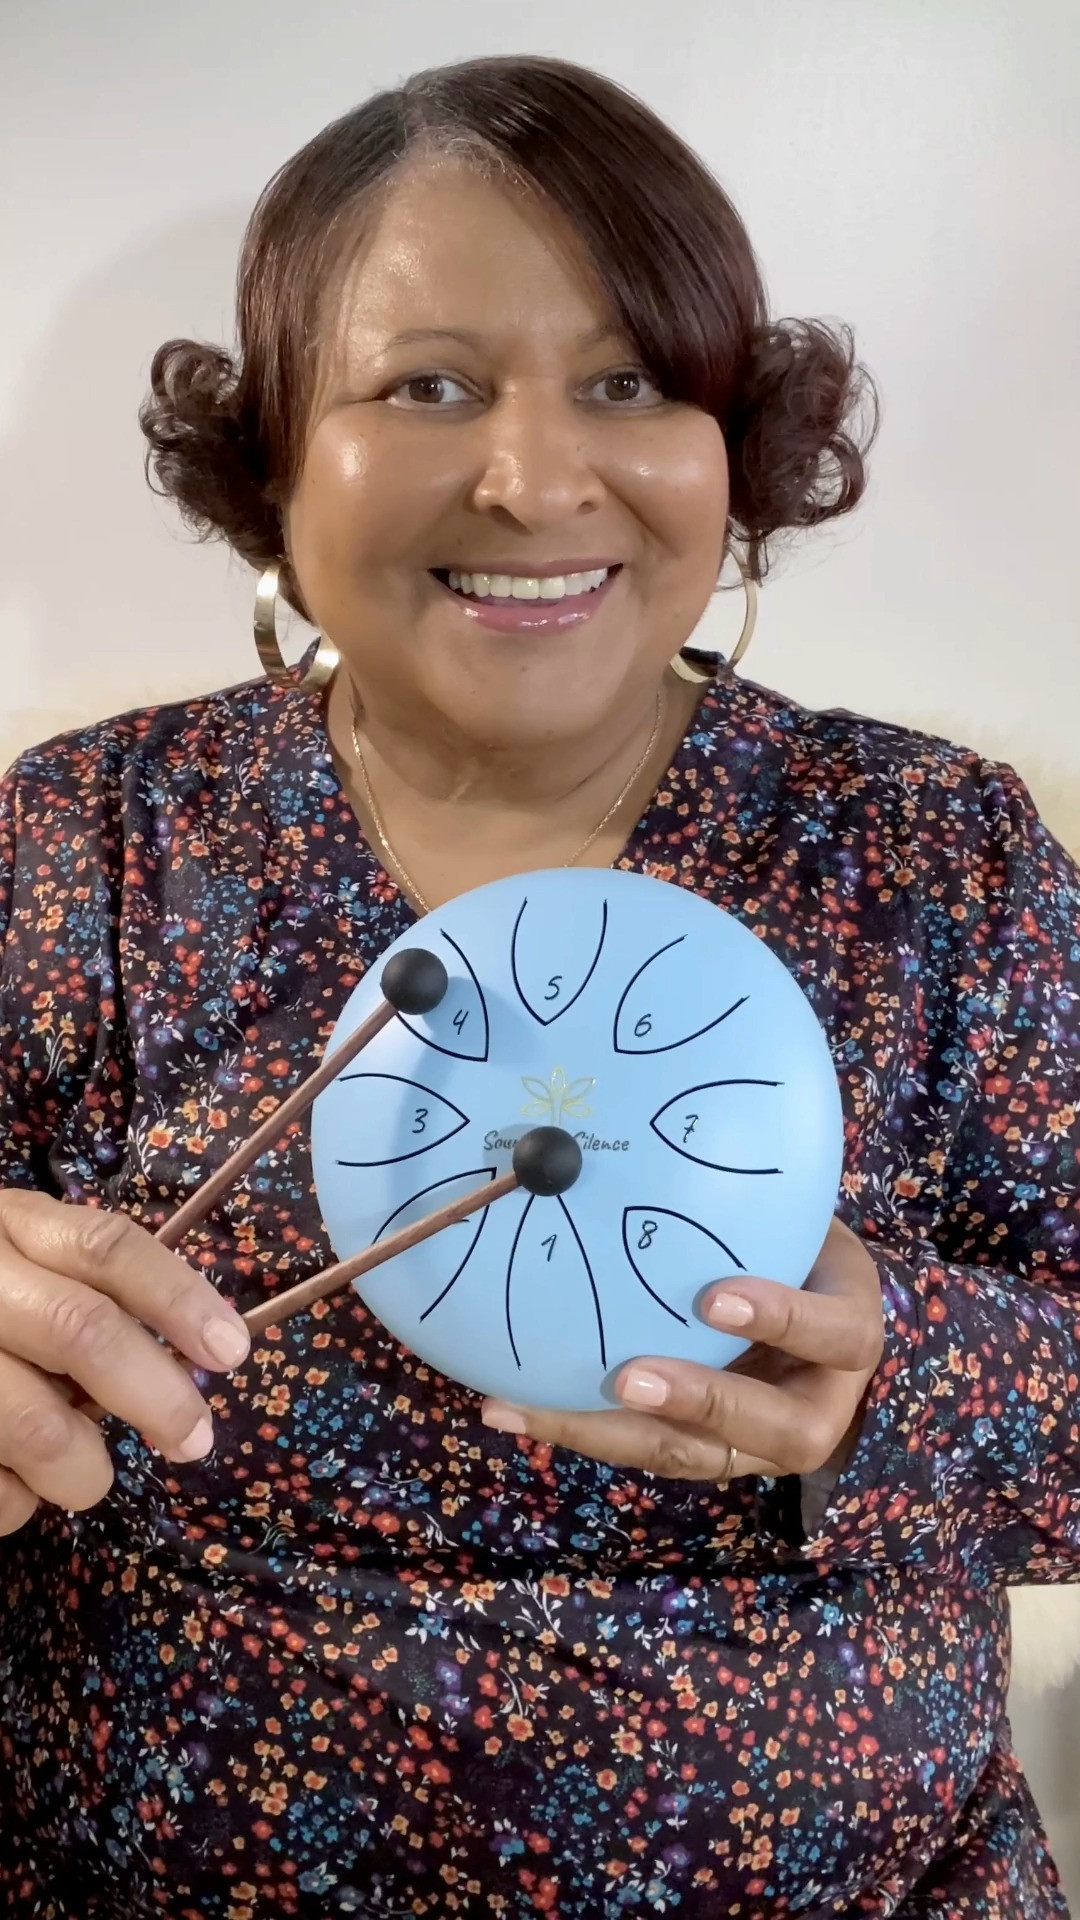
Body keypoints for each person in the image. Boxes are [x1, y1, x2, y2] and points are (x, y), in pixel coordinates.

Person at [0, 52, 1077, 1920]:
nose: (533, 475)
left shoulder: (939, 858)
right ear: (274, 461)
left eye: (629, 381)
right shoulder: (77, 848)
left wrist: (908, 1386)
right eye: (426, 386)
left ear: (734, 448)